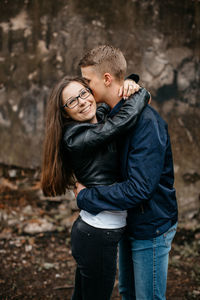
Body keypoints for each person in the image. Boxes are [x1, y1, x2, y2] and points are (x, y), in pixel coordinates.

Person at [75, 45, 178, 300]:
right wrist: (134, 84)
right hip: (128, 222)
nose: (85, 89)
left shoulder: (147, 124)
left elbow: (139, 189)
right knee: (127, 293)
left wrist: (86, 197)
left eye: (88, 81)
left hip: (151, 226)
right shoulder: (110, 115)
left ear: (107, 79)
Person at [41, 72, 150, 299]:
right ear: (65, 112)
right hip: (97, 234)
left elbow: (111, 106)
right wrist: (143, 94)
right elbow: (122, 122)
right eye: (72, 101)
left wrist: (130, 83)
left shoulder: (97, 117)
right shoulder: (75, 137)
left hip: (93, 233)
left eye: (84, 93)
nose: (82, 101)